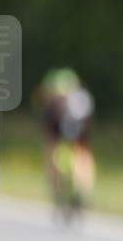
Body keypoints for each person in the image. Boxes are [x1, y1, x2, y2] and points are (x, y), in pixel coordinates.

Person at [33, 68, 96, 211]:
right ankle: (84, 188)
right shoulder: (82, 98)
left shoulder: (53, 104)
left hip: (61, 129)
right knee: (83, 154)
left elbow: (48, 132)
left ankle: (57, 190)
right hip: (79, 129)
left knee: (51, 154)